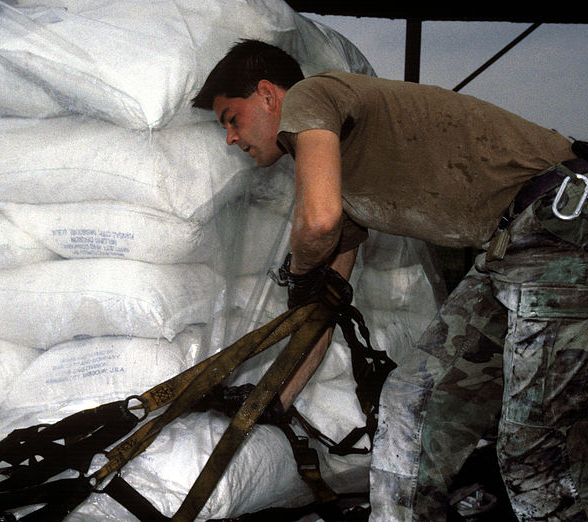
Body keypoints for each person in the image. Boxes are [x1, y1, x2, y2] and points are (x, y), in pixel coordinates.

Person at [192, 39, 588, 521]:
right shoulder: (342, 176)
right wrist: (276, 402)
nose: (231, 137)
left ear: (269, 95)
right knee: (411, 402)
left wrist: (297, 270)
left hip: (561, 219)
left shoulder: (310, 96)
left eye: (231, 118)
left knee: (535, 441)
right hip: (512, 245)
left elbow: (317, 223)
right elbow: (327, 307)